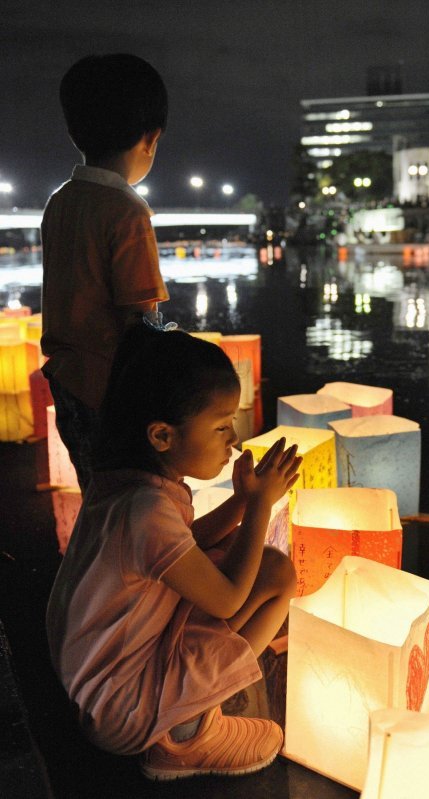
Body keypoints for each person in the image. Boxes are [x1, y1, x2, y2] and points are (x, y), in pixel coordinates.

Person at [46, 324, 302, 779]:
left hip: (101, 688)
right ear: (161, 435)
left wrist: (242, 500)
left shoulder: (128, 485)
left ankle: (190, 710)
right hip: (124, 710)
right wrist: (262, 503)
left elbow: (192, 544)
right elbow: (227, 599)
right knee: (276, 575)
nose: (234, 439)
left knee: (256, 563)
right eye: (222, 425)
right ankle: (186, 733)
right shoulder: (144, 510)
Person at [41, 54, 170, 491]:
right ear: (150, 139)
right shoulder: (128, 212)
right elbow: (141, 316)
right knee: (132, 495)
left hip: (64, 380)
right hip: (110, 387)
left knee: (95, 491)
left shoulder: (60, 202)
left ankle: (89, 556)